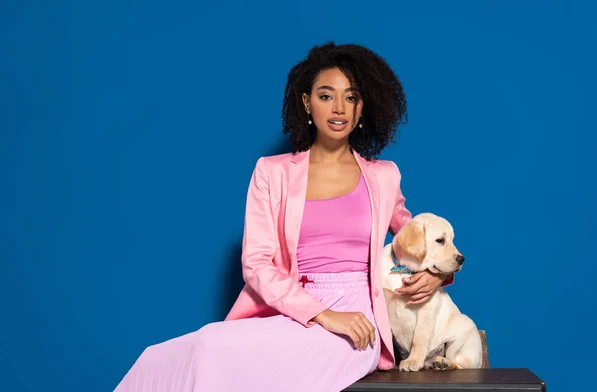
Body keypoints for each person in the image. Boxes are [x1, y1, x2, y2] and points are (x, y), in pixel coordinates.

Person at [114, 42, 454, 392]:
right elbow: (257, 263)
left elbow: (413, 242)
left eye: (351, 97)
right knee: (203, 346)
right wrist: (322, 314)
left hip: (360, 321)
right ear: (307, 102)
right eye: (326, 96)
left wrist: (434, 276)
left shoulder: (383, 176)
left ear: (362, 106)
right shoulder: (271, 172)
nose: (339, 108)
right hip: (296, 309)